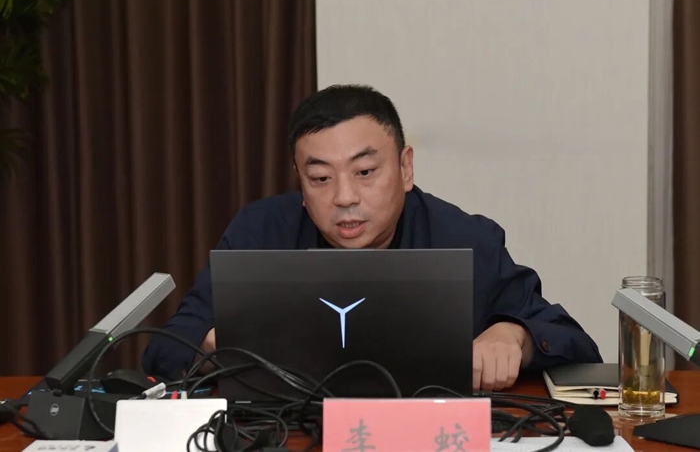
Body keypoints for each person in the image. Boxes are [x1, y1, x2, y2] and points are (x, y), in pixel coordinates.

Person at [142, 84, 602, 391]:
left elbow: (576, 346)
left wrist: (515, 335)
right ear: (300, 182)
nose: (344, 197)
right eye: (320, 179)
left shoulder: (465, 238)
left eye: (364, 172)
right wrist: (212, 344)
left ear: (405, 167)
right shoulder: (259, 234)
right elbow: (165, 348)